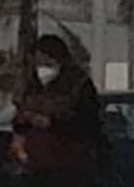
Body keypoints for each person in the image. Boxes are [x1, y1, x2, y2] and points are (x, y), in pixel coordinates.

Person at [10, 35, 107, 186]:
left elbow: (88, 125)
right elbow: (21, 120)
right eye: (37, 62)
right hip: (36, 168)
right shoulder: (34, 86)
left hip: (69, 168)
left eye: (44, 61)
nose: (40, 67)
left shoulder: (78, 85)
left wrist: (51, 123)